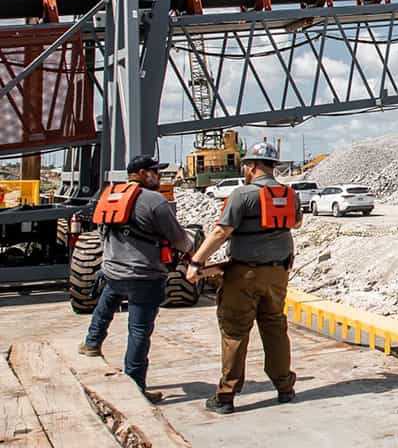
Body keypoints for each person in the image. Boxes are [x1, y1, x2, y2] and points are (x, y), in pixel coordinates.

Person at [187, 142, 301, 414]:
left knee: (235, 331)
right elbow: (296, 223)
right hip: (277, 273)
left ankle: (225, 396)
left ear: (251, 166)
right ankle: (284, 387)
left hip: (244, 274)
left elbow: (220, 232)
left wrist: (196, 262)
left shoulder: (242, 194)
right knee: (274, 327)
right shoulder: (289, 194)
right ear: (273, 165)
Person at [79, 155, 195, 403]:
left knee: (107, 301)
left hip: (113, 271)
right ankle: (134, 386)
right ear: (143, 173)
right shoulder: (155, 201)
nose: (160, 176)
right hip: (144, 275)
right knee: (139, 331)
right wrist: (194, 245)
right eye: (156, 172)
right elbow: (178, 239)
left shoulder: (109, 196)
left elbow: (101, 232)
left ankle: (91, 342)